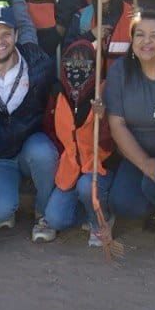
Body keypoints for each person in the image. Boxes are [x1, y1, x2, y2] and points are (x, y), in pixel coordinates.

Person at [0, 6, 59, 240]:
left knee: (44, 153)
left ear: (16, 35)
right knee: (0, 213)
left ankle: (44, 212)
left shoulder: (40, 65)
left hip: (29, 147)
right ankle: (6, 196)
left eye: (6, 34)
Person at [95, 9, 155, 245]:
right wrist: (145, 163)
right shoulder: (119, 71)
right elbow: (117, 125)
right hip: (135, 152)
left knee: (154, 183)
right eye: (140, 35)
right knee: (122, 202)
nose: (146, 42)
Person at [41, 38, 119, 246]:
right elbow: (51, 130)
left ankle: (100, 222)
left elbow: (112, 142)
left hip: (98, 165)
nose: (77, 68)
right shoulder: (58, 92)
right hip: (70, 168)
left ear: (94, 65)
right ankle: (86, 213)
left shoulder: (103, 91)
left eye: (84, 63)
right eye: (71, 62)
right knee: (55, 218)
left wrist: (102, 118)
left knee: (87, 186)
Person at [66, 0, 134, 78]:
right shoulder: (82, 17)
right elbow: (67, 55)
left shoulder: (132, 15)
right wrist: (90, 36)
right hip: (89, 88)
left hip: (123, 87)